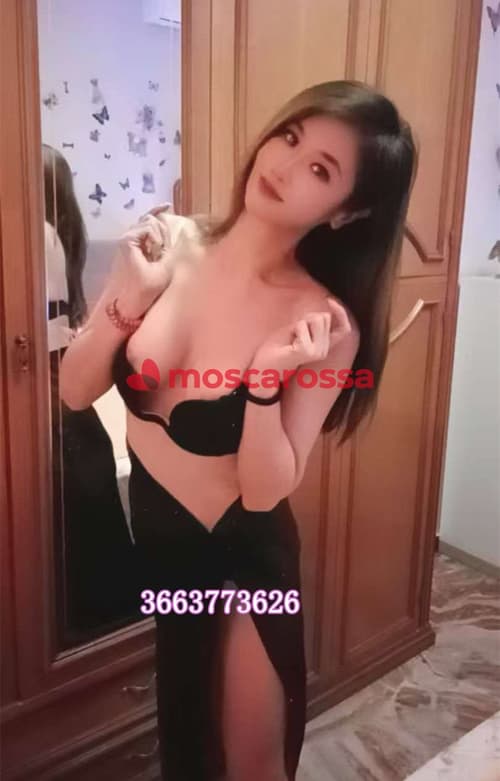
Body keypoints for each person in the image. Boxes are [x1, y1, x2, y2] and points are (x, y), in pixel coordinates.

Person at [59, 80, 417, 780]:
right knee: (188, 750)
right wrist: (129, 297)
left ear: (348, 212)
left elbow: (263, 491)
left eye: (321, 169)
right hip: (164, 552)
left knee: (252, 767)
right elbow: (74, 388)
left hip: (243, 561)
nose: (283, 165)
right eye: (291, 137)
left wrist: (263, 385)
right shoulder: (169, 242)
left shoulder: (323, 323)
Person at [43, 144, 141, 638]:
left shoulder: (38, 238)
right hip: (62, 395)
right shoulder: (57, 236)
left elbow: (44, 333)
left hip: (51, 396)